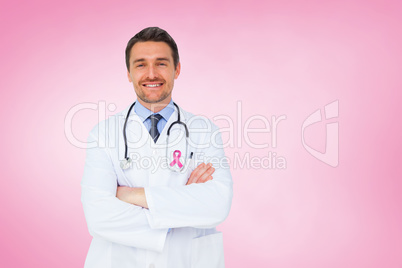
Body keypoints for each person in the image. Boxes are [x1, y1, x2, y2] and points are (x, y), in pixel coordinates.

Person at [81, 27, 233, 268]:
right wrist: (183, 205)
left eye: (161, 63)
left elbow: (217, 205)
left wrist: (130, 195)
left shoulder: (205, 131)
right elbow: (99, 217)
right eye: (140, 64)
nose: (151, 74)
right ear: (129, 73)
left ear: (177, 69)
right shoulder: (102, 134)